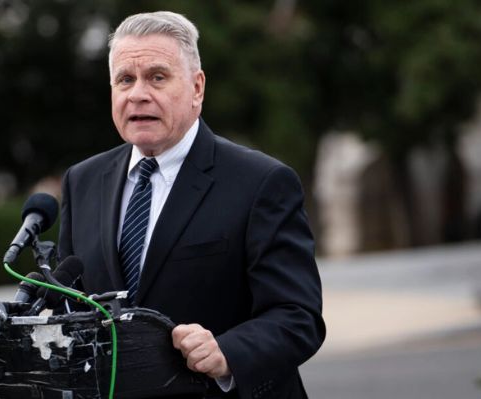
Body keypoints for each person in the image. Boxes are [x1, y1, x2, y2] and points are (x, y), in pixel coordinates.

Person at [58, 11, 325, 399]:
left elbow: (298, 317)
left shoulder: (261, 182)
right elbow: (68, 302)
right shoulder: (82, 181)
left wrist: (227, 352)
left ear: (197, 87)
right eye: (125, 80)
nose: (138, 94)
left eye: (158, 77)